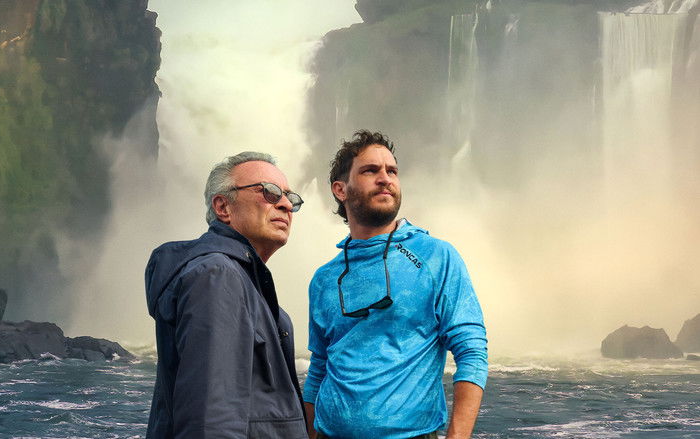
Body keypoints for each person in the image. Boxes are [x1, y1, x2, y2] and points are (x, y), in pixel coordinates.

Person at [303, 131, 488, 439]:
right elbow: (319, 368)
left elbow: (471, 350)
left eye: (392, 171)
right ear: (340, 189)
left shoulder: (435, 256)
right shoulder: (325, 278)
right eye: (370, 170)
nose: (385, 179)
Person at [145, 152, 309, 439]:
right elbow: (211, 420)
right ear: (223, 207)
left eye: (290, 198)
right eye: (269, 192)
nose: (285, 205)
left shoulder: (245, 286)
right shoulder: (217, 276)